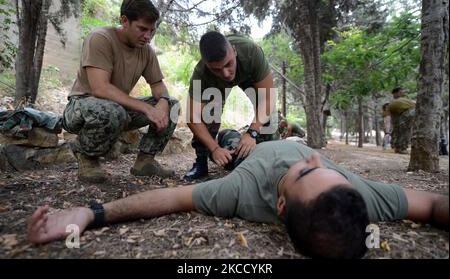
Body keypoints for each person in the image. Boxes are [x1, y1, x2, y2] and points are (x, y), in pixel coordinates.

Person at [27, 139, 448, 259]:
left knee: (229, 142)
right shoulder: (360, 201)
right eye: (329, 169)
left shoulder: (239, 193)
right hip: (266, 135)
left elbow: (173, 197)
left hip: (247, 154)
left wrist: (91, 213)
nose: (314, 157)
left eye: (305, 169)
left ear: (280, 207)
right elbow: (432, 205)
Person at [62, 0, 179, 183]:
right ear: (124, 20)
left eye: (151, 30)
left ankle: (145, 162)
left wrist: (164, 102)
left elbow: (158, 86)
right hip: (81, 106)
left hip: (117, 108)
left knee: (173, 105)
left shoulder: (146, 50)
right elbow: (100, 88)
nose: (147, 36)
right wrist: (148, 109)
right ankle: (87, 156)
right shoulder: (100, 38)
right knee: (113, 111)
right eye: (142, 29)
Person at [185, 31, 278, 181]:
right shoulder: (202, 73)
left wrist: (252, 133)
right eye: (217, 69)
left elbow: (268, 98)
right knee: (206, 114)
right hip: (214, 85)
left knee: (269, 118)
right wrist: (214, 149)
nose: (226, 73)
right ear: (207, 65)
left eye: (228, 64)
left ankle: (263, 149)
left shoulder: (250, 52)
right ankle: (201, 162)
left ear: (234, 52)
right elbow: (192, 117)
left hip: (247, 74)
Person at [388, 87, 415, 154]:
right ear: (395, 93)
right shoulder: (396, 101)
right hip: (403, 117)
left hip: (401, 117)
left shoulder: (403, 100)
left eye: (402, 92)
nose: (402, 93)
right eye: (400, 92)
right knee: (403, 131)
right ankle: (401, 148)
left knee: (402, 131)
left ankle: (399, 147)